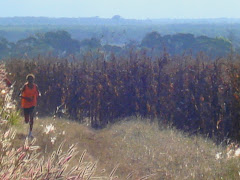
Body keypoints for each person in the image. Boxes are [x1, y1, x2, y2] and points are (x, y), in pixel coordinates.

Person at [19, 74, 41, 138]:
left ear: (33, 80)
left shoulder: (35, 86)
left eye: (32, 80)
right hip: (25, 104)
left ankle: (30, 133)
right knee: (26, 120)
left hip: (32, 104)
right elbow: (20, 94)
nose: (31, 81)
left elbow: (38, 92)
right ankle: (26, 122)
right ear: (27, 80)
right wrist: (26, 98)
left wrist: (39, 95)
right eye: (29, 80)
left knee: (31, 117)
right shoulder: (25, 86)